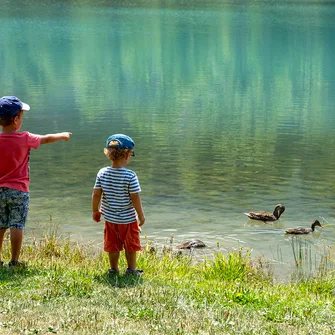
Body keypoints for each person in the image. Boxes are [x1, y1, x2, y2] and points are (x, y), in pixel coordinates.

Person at [0, 96, 72, 267]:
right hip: (19, 190)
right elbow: (45, 139)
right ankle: (14, 261)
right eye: (22, 117)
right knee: (17, 225)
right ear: (16, 119)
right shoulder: (24, 137)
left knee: (0, 225)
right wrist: (62, 135)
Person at [92, 134, 145, 275]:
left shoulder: (102, 173)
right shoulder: (130, 176)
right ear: (127, 155)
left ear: (109, 154)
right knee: (131, 246)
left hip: (110, 219)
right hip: (128, 220)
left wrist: (95, 211)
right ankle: (132, 270)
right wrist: (141, 215)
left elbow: (96, 194)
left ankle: (113, 269)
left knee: (113, 246)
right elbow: (135, 197)